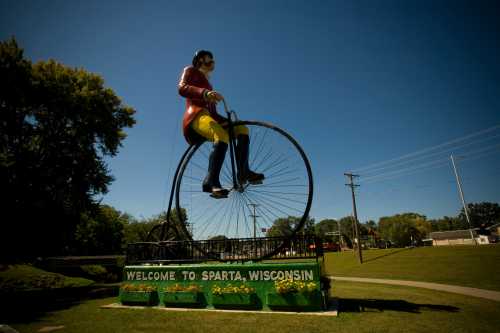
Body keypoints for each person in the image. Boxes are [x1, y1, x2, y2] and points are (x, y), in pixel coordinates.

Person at [178, 50, 264, 198]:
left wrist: (229, 122)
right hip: (196, 115)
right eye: (209, 60)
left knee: (242, 129)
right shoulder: (190, 70)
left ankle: (243, 171)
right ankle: (210, 182)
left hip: (210, 116)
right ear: (200, 60)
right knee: (221, 134)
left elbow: (213, 113)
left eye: (213, 61)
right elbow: (182, 88)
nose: (212, 63)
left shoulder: (208, 83)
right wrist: (204, 93)